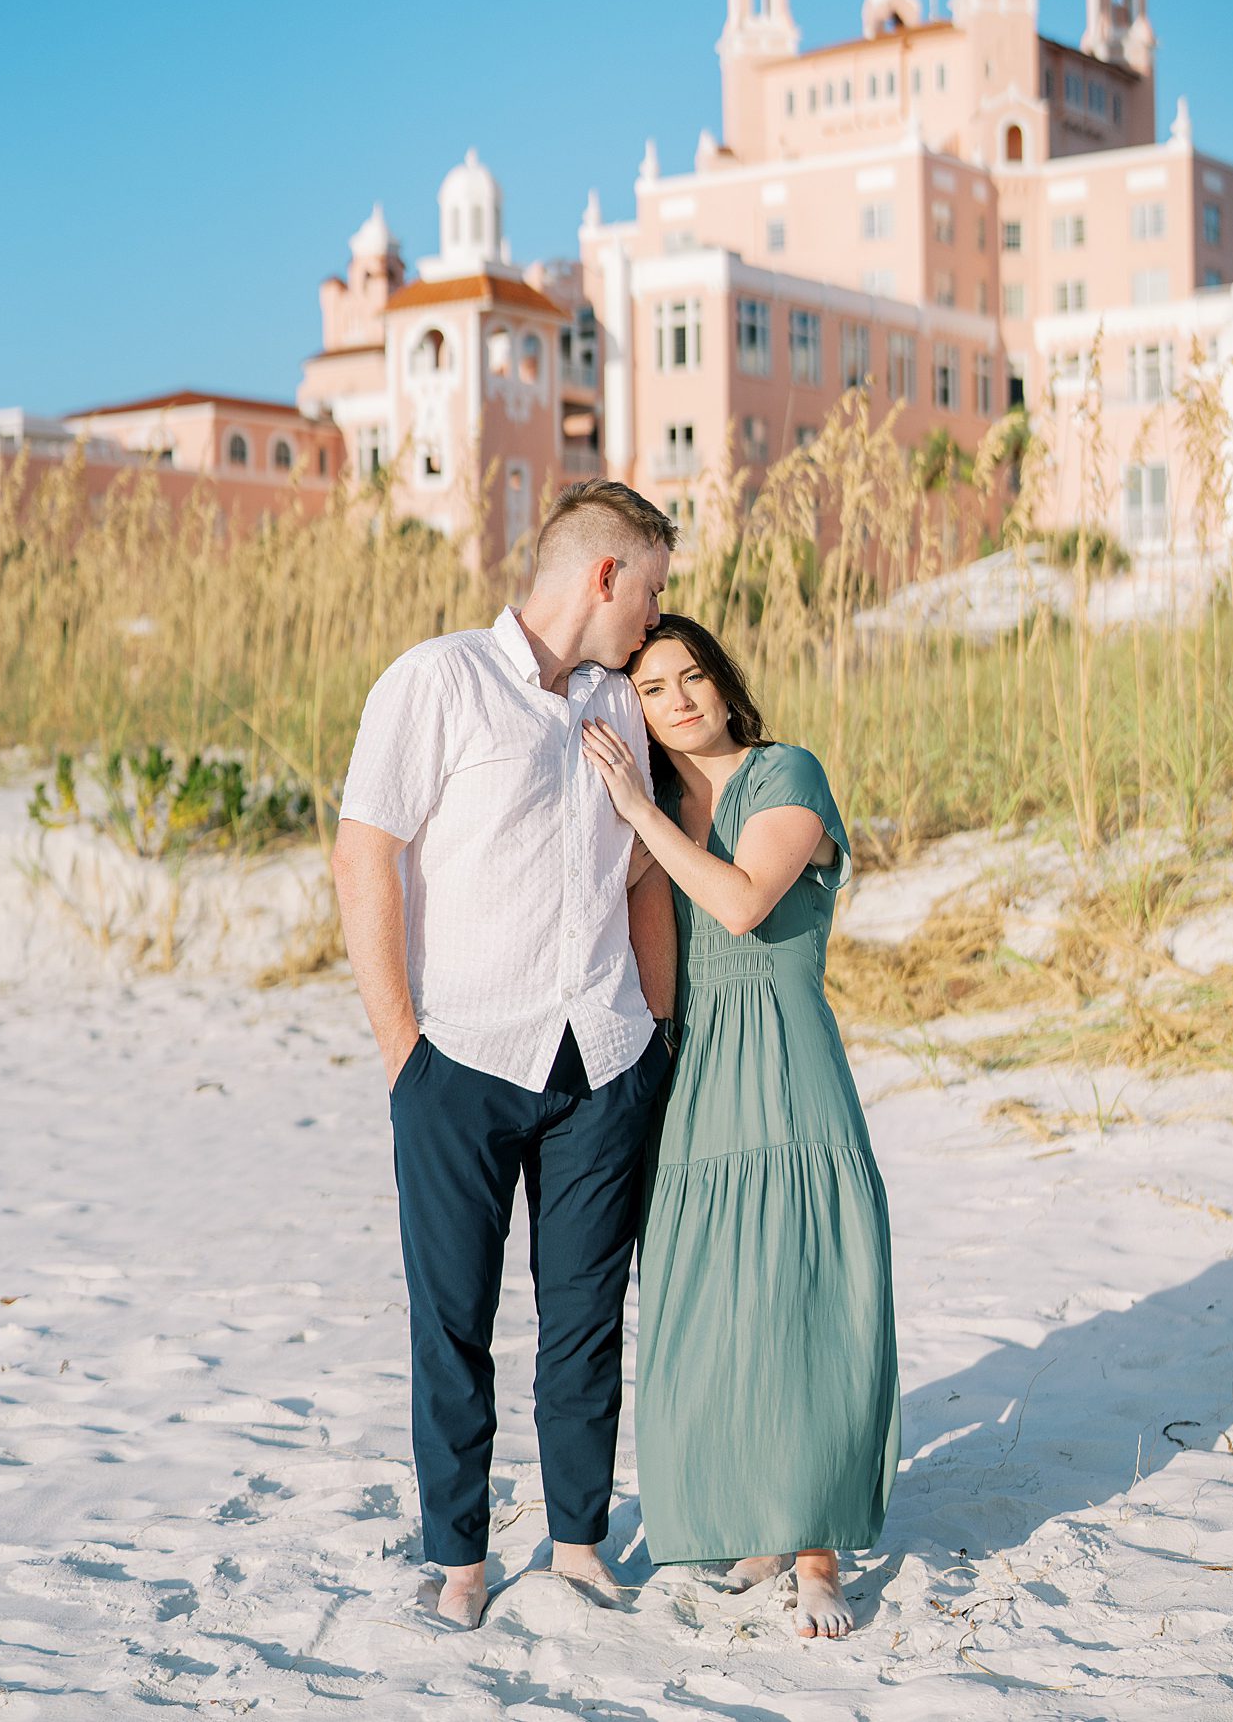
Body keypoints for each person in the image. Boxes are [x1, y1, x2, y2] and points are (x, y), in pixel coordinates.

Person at [332, 480, 679, 1631]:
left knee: (586, 1318)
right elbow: (364, 856)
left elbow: (631, 869)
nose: (655, 616)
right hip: (461, 1060)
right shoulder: (436, 680)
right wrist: (401, 1049)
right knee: (455, 1319)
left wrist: (656, 1040)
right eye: (653, 589)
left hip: (601, 1058)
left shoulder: (619, 707)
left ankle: (579, 1544)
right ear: (605, 575)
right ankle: (462, 1558)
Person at [580, 612, 900, 1641]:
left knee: (801, 1286)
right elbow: (660, 957)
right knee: (710, 1287)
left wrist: (637, 809)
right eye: (653, 688)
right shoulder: (664, 804)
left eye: (691, 676)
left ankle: (816, 1551)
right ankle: (758, 1513)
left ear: (722, 683)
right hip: (700, 1061)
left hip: (786, 1053)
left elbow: (745, 903)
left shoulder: (786, 773)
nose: (678, 699)